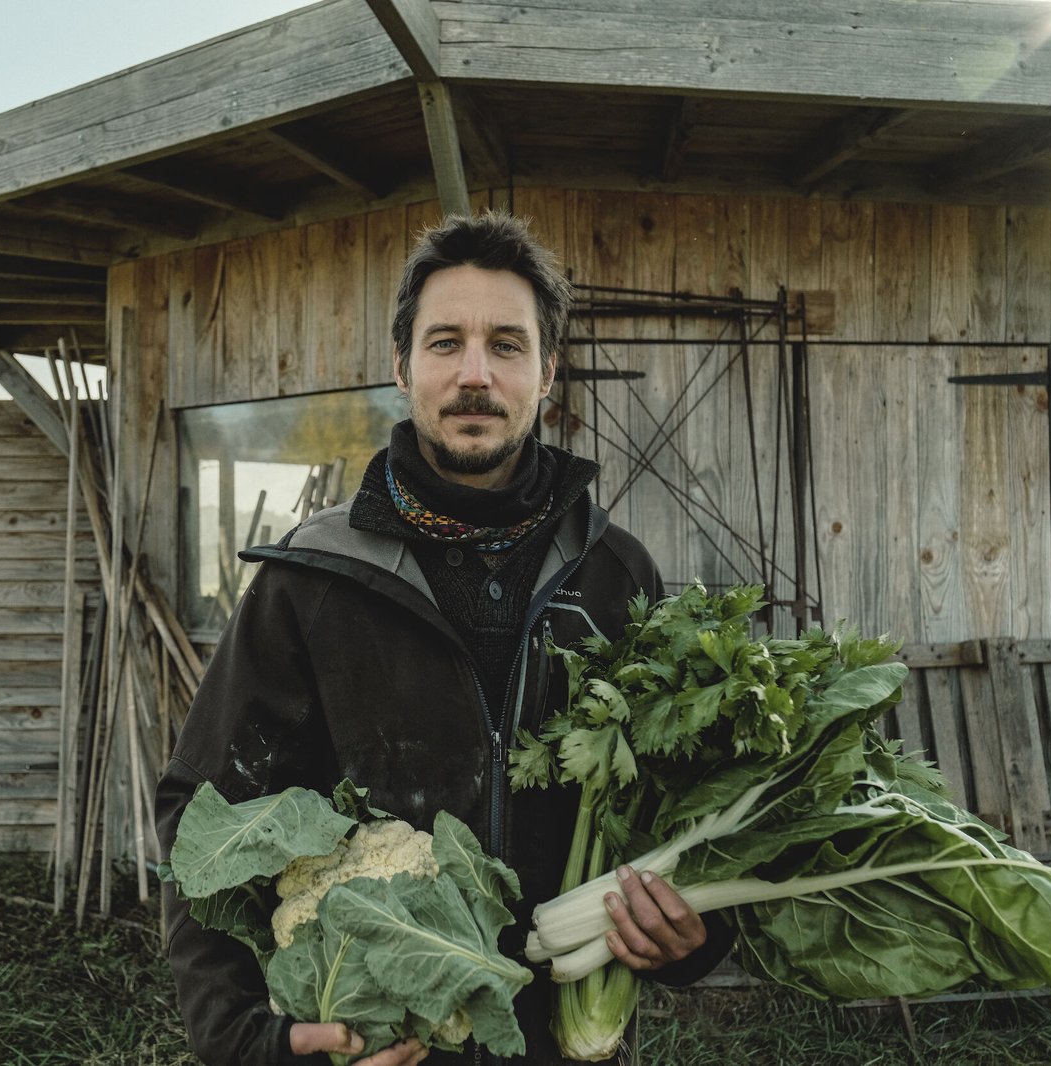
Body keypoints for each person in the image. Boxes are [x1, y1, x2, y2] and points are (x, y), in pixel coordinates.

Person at [155, 212, 731, 1066]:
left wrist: (700, 936)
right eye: (444, 343)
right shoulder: (310, 579)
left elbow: (687, 813)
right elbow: (201, 823)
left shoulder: (618, 578)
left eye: (506, 345)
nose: (474, 375)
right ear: (401, 367)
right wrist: (253, 1043)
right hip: (386, 1045)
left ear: (547, 373)